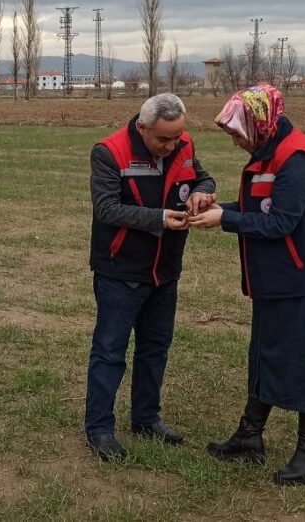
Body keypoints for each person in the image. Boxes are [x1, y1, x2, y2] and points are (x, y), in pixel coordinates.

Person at [188, 84, 305, 486]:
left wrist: (224, 221)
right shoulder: (266, 153)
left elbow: (281, 222)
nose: (234, 143)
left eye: (236, 133)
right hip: (273, 279)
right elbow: (256, 208)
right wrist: (217, 206)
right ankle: (249, 436)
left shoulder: (297, 158)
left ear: (258, 123)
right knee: (266, 353)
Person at [85, 93, 217, 461]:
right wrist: (160, 218)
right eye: (163, 139)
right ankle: (99, 429)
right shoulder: (109, 152)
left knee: (155, 348)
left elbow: (203, 178)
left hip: (165, 271)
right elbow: (107, 208)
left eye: (177, 138)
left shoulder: (183, 145)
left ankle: (146, 419)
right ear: (142, 128)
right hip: (121, 271)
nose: (172, 146)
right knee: (110, 352)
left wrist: (204, 194)